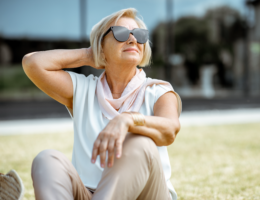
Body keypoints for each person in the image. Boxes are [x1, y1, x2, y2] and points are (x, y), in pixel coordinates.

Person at [22, 8, 182, 200]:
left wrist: (128, 120)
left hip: (147, 194)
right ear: (101, 45)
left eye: (139, 35)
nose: (132, 40)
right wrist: (90, 54)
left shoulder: (159, 91)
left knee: (139, 143)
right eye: (121, 33)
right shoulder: (83, 89)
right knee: (47, 160)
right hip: (90, 194)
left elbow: (170, 130)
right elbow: (33, 63)